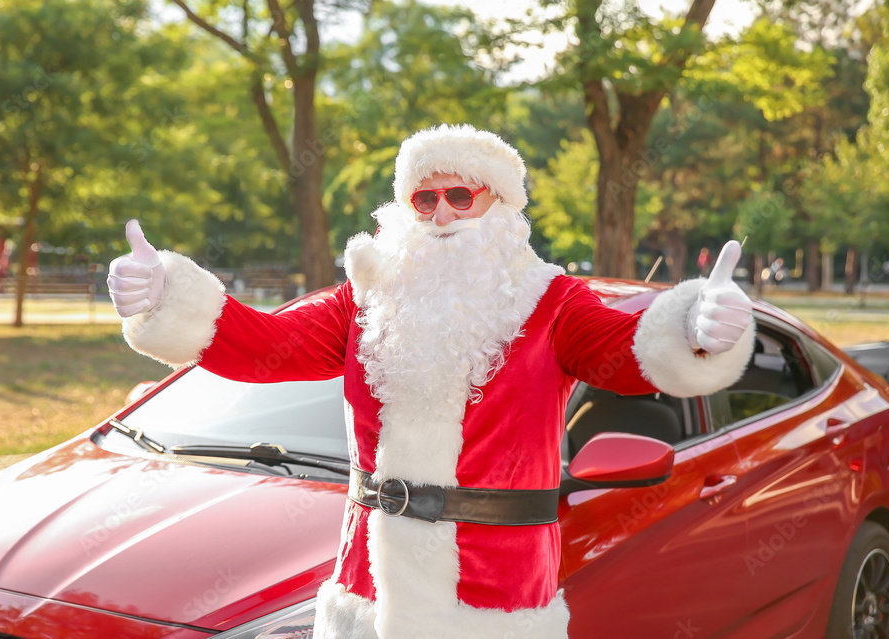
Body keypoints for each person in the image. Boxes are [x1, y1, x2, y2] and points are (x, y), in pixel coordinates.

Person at [108, 124, 755, 638]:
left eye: (461, 195)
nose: (442, 215)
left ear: (500, 206)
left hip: (491, 605)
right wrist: (164, 294)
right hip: (368, 596)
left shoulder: (551, 302)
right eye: (425, 198)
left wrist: (696, 328)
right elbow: (266, 345)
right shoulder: (364, 301)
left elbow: (627, 354)